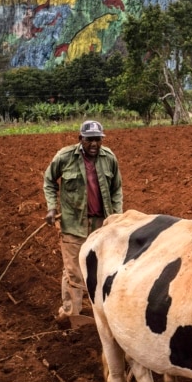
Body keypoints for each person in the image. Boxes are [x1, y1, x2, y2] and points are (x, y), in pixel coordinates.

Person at [42, 120, 123, 323]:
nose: (94, 144)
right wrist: (51, 207)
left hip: (102, 225)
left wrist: (117, 218)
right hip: (73, 225)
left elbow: (116, 189)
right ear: (81, 140)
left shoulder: (109, 158)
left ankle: (105, 315)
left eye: (98, 140)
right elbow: (49, 181)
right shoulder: (65, 157)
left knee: (104, 268)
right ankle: (72, 315)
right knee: (73, 272)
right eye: (90, 140)